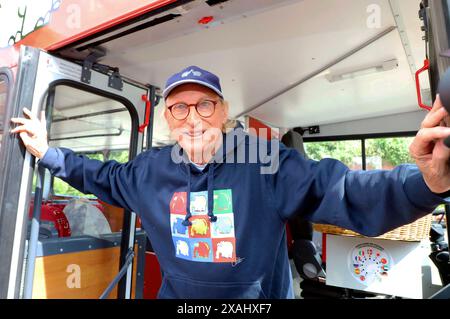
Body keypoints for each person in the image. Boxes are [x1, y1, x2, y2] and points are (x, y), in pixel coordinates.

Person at [10, 65, 450, 299]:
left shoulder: (265, 163)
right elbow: (98, 175)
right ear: (167, 119)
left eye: (205, 105)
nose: (193, 118)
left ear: (223, 113)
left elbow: (341, 189)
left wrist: (424, 184)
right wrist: (48, 152)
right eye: (180, 108)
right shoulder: (148, 170)